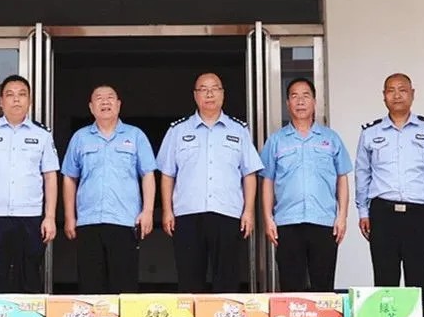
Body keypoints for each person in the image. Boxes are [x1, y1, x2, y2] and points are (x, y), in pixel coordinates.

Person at [355, 73, 424, 317]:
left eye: (402, 90)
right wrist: (363, 211)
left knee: (417, 280)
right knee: (384, 280)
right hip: (382, 213)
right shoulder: (370, 133)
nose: (397, 95)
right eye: (391, 90)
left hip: (418, 214)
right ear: (383, 95)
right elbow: (362, 174)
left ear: (412, 94)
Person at [156, 73, 264, 293]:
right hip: (187, 214)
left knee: (227, 278)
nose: (209, 94)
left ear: (222, 94)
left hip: (228, 213)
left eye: (214, 88)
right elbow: (167, 174)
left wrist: (248, 212)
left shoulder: (239, 130)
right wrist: (167, 211)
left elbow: (249, 174)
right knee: (189, 279)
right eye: (203, 89)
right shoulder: (178, 131)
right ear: (195, 96)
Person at [0, 75, 59, 293]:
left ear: (30, 101)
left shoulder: (42, 135)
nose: (16, 99)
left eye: (22, 94)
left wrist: (50, 217)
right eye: (10, 95)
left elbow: (50, 177)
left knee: (29, 279)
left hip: (30, 216)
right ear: (0, 101)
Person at [61, 85, 157, 293]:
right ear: (91, 107)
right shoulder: (80, 138)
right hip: (88, 222)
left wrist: (148, 211)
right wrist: (69, 216)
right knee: (90, 287)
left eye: (110, 97)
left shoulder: (135, 135)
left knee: (124, 287)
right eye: (99, 98)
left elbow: (148, 174)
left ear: (119, 104)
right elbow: (69, 177)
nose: (105, 102)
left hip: (124, 221)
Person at [260, 77, 352, 292]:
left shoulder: (331, 138)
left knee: (323, 288)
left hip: (324, 222)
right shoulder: (276, 140)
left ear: (314, 102)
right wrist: (268, 219)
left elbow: (342, 178)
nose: (300, 101)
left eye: (305, 96)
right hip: (287, 223)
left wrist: (342, 217)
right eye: (294, 96)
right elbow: (267, 181)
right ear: (287, 103)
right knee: (291, 288)